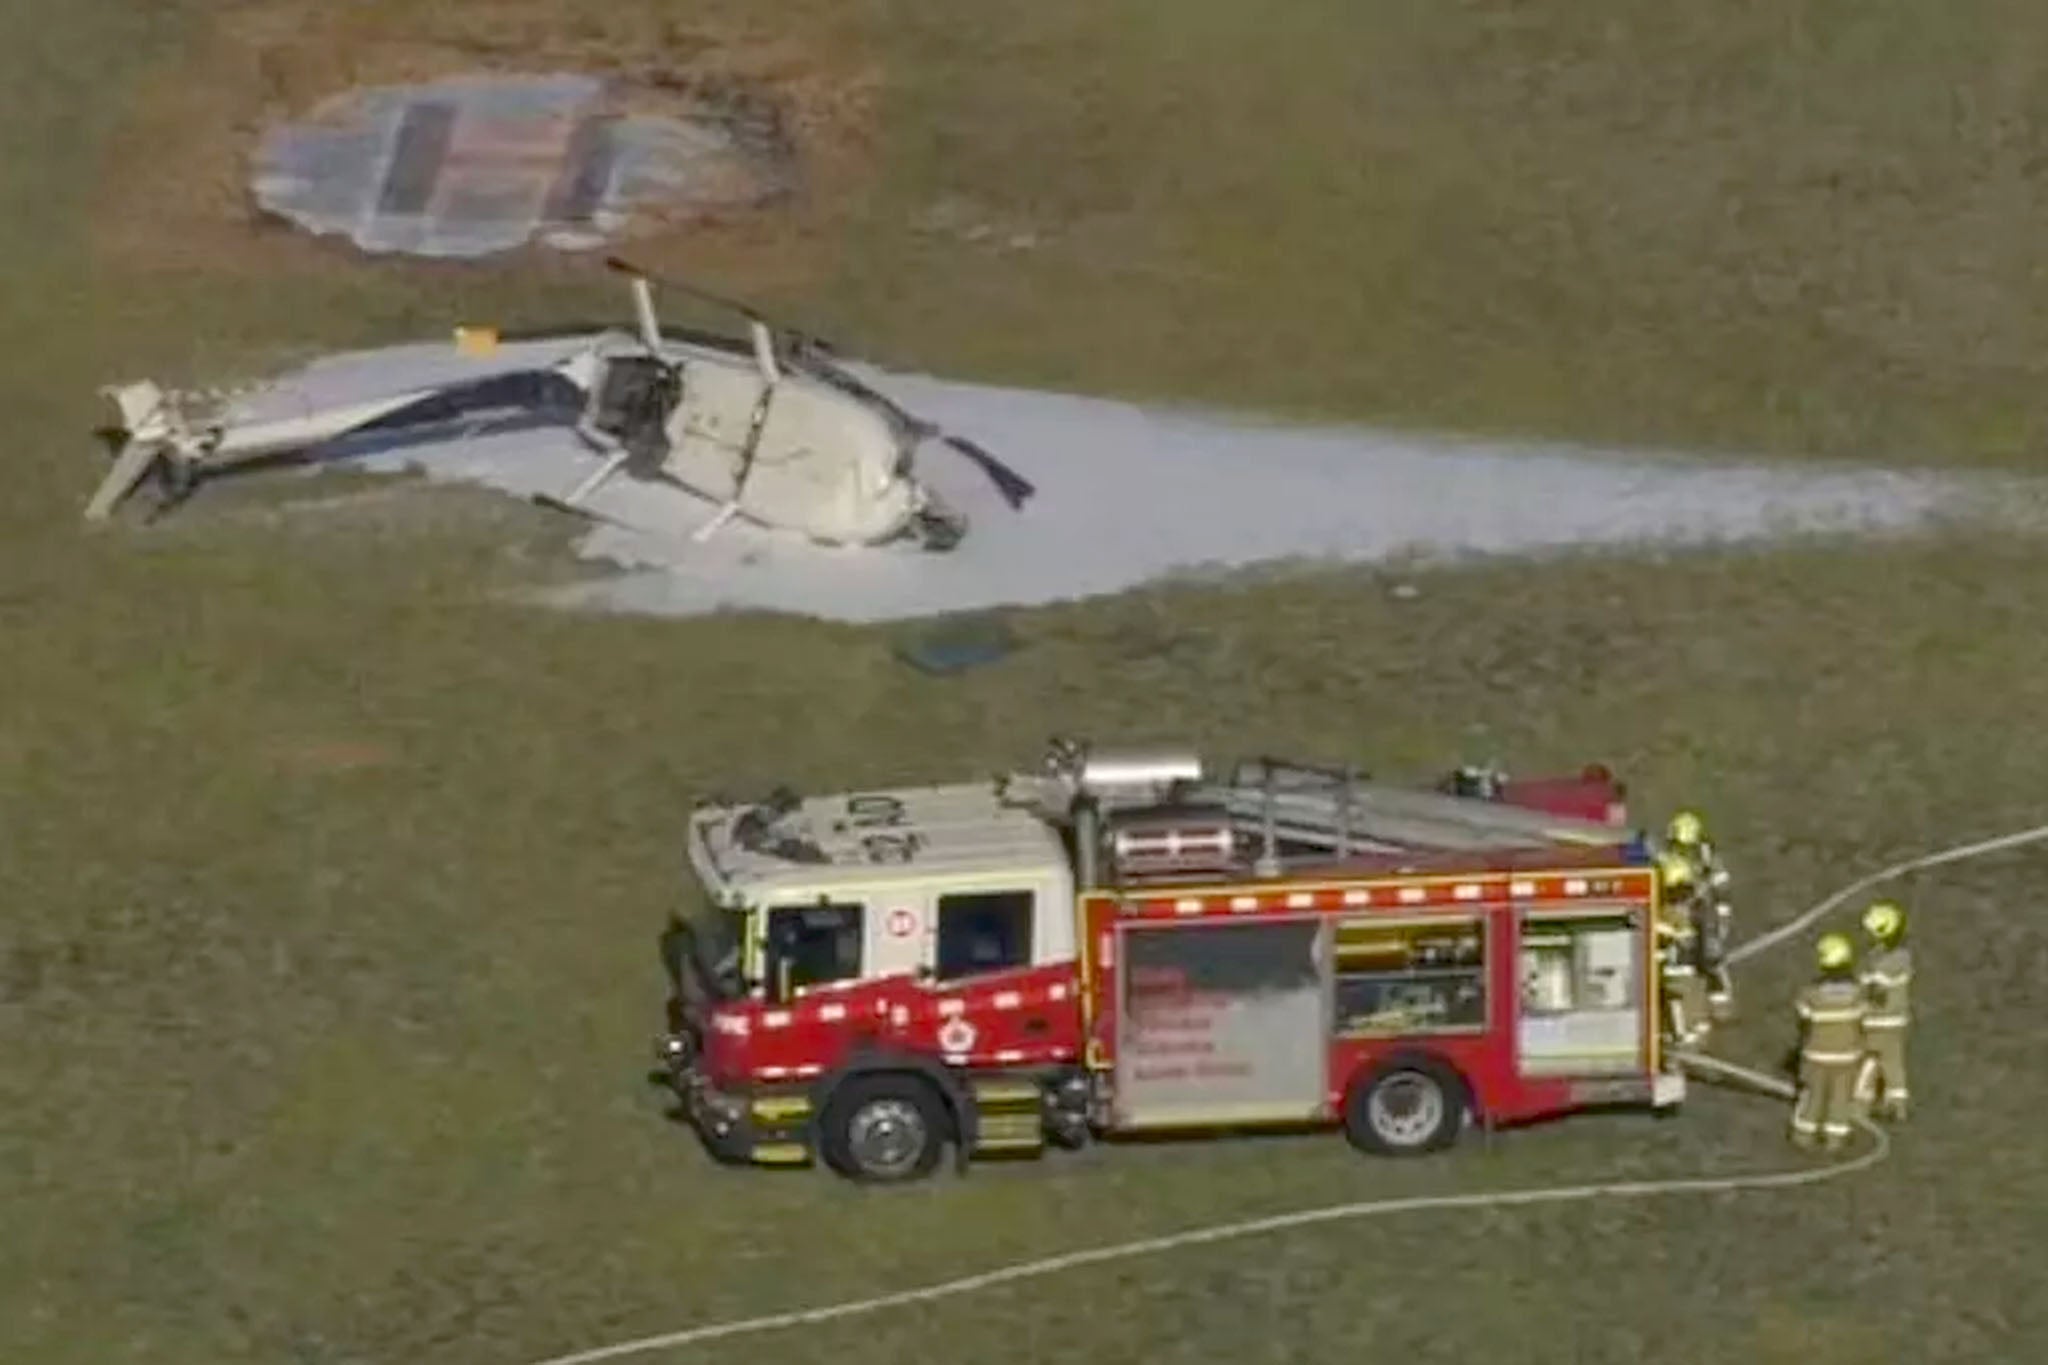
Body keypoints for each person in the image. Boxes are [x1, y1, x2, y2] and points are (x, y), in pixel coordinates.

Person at [1790, 933, 1867, 1149]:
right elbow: (1864, 1018)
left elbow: (1803, 1020)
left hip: (1816, 1054)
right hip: (1847, 1056)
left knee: (1813, 1096)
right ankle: (1836, 1138)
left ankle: (1803, 1134)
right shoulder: (1857, 994)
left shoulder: (1811, 994)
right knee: (1840, 1098)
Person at [1666, 810, 1736, 1021]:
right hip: (1680, 910)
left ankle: (1721, 1005)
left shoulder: (1708, 857)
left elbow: (1721, 886)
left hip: (1703, 912)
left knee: (1712, 957)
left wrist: (1722, 916)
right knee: (1681, 959)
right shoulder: (1669, 857)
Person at [1855, 900, 1913, 1121]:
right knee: (1892, 1063)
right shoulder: (1903, 957)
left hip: (1876, 1020)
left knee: (1868, 1061)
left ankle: (1861, 1104)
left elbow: (1877, 991)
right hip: (1896, 1020)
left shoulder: (1879, 963)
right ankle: (1897, 1104)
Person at [1655, 850, 1711, 1046]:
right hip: (1690, 973)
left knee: (1677, 1006)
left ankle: (1682, 1037)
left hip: (1677, 972)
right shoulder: (1695, 909)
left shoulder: (1671, 914)